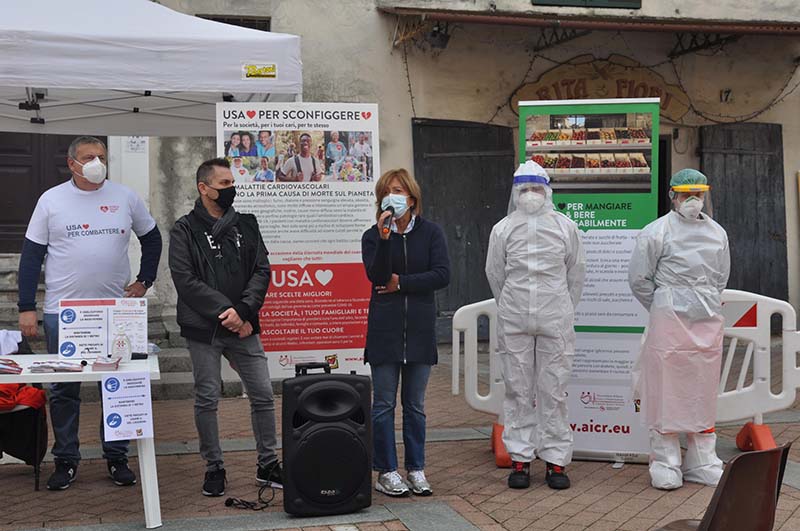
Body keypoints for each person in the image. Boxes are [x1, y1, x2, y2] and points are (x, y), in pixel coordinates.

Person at [17, 136, 162, 490]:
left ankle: (117, 457)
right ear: (72, 164)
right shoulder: (51, 200)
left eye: (101, 156)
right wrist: (26, 308)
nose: (97, 161)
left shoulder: (124, 197)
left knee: (117, 386)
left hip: (116, 311)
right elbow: (32, 256)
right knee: (64, 390)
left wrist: (144, 280)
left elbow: (153, 238)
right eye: (88, 157)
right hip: (63, 314)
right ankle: (66, 460)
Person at [168, 158, 280, 497]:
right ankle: (214, 465)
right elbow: (185, 281)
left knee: (262, 394)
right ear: (204, 188)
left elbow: (262, 269)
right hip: (204, 329)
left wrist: (244, 312)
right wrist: (227, 312)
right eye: (224, 184)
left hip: (245, 326)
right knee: (207, 397)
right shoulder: (184, 229)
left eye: (232, 183)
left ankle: (268, 463)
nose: (231, 189)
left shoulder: (246, 223)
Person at [485, 160, 585, 490]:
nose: (530, 195)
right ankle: (521, 459)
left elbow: (576, 275)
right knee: (517, 388)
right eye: (524, 189)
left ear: (548, 191)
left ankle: (556, 461)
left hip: (555, 316)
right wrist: (512, 304)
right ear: (515, 192)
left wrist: (561, 307)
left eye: (536, 188)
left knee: (553, 389)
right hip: (515, 316)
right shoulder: (502, 229)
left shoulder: (564, 227)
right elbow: (495, 274)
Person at [628, 169, 730, 491]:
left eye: (698, 195)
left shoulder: (717, 233)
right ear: (672, 196)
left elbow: (720, 278)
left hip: (707, 318)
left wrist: (700, 301)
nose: (692, 201)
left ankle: (702, 461)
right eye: (686, 195)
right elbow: (639, 280)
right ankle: (666, 462)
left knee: (702, 390)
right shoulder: (655, 232)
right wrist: (664, 305)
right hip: (668, 320)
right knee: (665, 391)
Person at [361, 169, 450, 498]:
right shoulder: (372, 236)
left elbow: (442, 275)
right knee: (383, 405)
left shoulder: (431, 233)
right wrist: (385, 240)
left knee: (415, 405)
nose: (391, 196)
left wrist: (403, 283)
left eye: (397, 190)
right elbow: (378, 276)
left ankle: (416, 468)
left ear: (411, 198)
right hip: (384, 331)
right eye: (385, 191)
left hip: (419, 331)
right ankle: (386, 471)